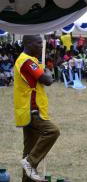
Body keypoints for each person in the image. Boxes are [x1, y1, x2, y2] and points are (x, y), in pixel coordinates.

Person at [13, 35, 60, 182]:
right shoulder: (27, 61)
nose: (41, 46)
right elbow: (47, 80)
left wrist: (43, 70)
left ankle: (27, 173)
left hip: (26, 111)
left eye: (41, 43)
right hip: (31, 110)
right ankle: (31, 162)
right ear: (28, 44)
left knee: (28, 149)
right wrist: (46, 72)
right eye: (38, 43)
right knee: (52, 131)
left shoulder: (30, 60)